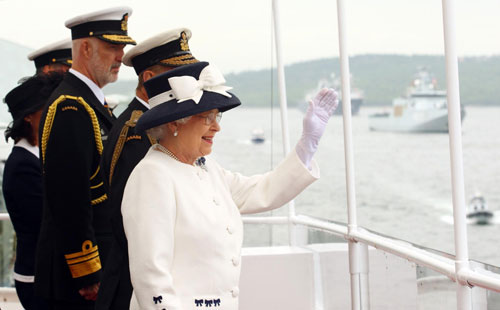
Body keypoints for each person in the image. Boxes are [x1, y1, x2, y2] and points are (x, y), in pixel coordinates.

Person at [121, 61, 339, 309]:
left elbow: (261, 191)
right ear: (174, 123)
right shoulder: (152, 176)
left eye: (217, 116)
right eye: (207, 117)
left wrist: (307, 146)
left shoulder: (206, 168)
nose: (217, 126)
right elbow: (151, 280)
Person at [34, 7, 136, 309]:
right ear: (87, 47)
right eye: (112, 46)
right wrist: (87, 272)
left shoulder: (91, 103)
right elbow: (69, 197)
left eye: (122, 47)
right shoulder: (71, 107)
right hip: (76, 280)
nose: (120, 56)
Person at [97, 28, 198, 310]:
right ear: (150, 79)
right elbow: (132, 221)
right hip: (132, 287)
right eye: (181, 74)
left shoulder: (151, 124)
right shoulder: (138, 132)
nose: (190, 82)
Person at [2, 73, 63, 310]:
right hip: (37, 276)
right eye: (47, 108)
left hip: (48, 272)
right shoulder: (22, 165)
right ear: (28, 116)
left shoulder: (38, 155)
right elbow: (46, 221)